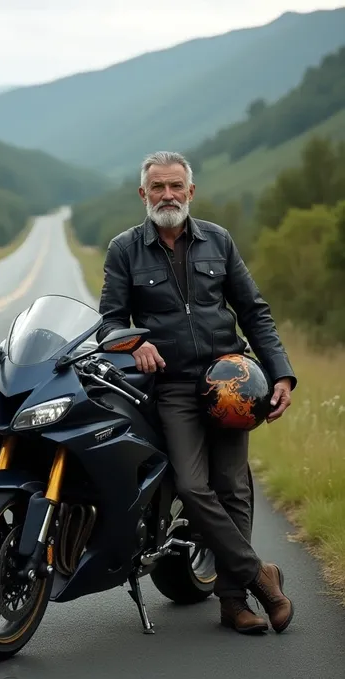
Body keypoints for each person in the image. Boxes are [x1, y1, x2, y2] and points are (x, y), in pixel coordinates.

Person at [96, 150, 297, 635]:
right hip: (173, 387)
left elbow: (254, 311)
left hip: (230, 383)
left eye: (176, 186)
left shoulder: (219, 241)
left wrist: (282, 375)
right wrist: (134, 342)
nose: (168, 195)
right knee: (192, 484)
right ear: (143, 195)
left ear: (191, 191)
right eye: (158, 187)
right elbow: (107, 322)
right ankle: (260, 575)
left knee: (233, 487)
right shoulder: (124, 249)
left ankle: (232, 602)